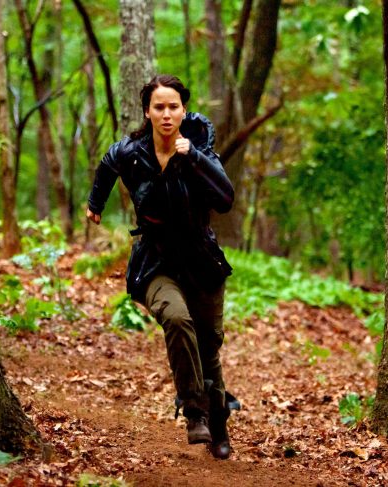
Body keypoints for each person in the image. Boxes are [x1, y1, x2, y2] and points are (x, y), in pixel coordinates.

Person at [86, 74, 235, 459]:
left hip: (201, 260)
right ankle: (193, 412)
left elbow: (225, 199)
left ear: (183, 110)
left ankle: (218, 426)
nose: (166, 114)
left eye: (173, 107)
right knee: (176, 318)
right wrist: (95, 204)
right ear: (148, 112)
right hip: (155, 260)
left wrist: (194, 157)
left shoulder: (200, 149)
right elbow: (106, 166)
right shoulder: (132, 151)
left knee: (208, 348)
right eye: (159, 107)